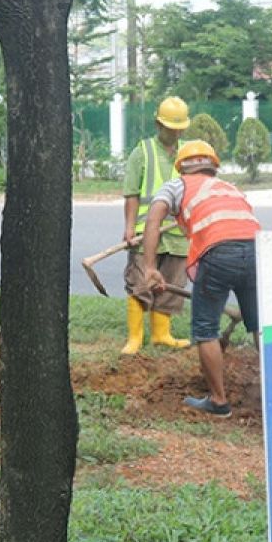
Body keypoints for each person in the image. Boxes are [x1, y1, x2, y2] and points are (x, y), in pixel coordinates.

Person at [141, 141, 261, 418]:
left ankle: (218, 401)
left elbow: (153, 222)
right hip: (257, 250)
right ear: (213, 165)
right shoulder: (229, 188)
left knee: (206, 328)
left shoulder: (176, 186)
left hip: (218, 251)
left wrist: (149, 267)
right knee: (259, 326)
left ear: (181, 165)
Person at [120, 96, 192, 354]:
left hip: (176, 233)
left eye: (179, 129)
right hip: (144, 232)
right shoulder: (143, 151)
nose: (174, 133)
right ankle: (135, 338)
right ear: (158, 124)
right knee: (140, 280)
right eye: (170, 128)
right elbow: (131, 193)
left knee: (171, 283)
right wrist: (129, 227)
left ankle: (161, 334)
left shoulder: (188, 154)